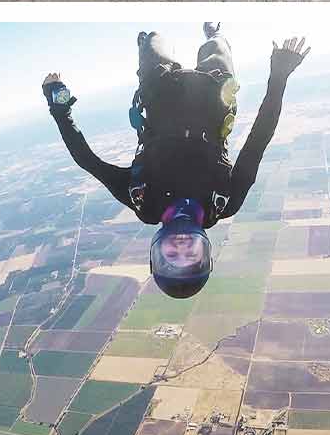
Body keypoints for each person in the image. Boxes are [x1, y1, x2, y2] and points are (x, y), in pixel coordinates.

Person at [44, 24, 311, 298]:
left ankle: (146, 40)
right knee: (217, 44)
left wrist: (59, 106)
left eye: (172, 254)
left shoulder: (144, 201)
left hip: (159, 91)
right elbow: (259, 140)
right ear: (205, 251)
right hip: (214, 92)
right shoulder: (225, 202)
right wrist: (279, 74)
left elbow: (89, 162)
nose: (181, 245)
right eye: (190, 254)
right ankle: (213, 32)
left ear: (157, 252)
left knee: (153, 39)